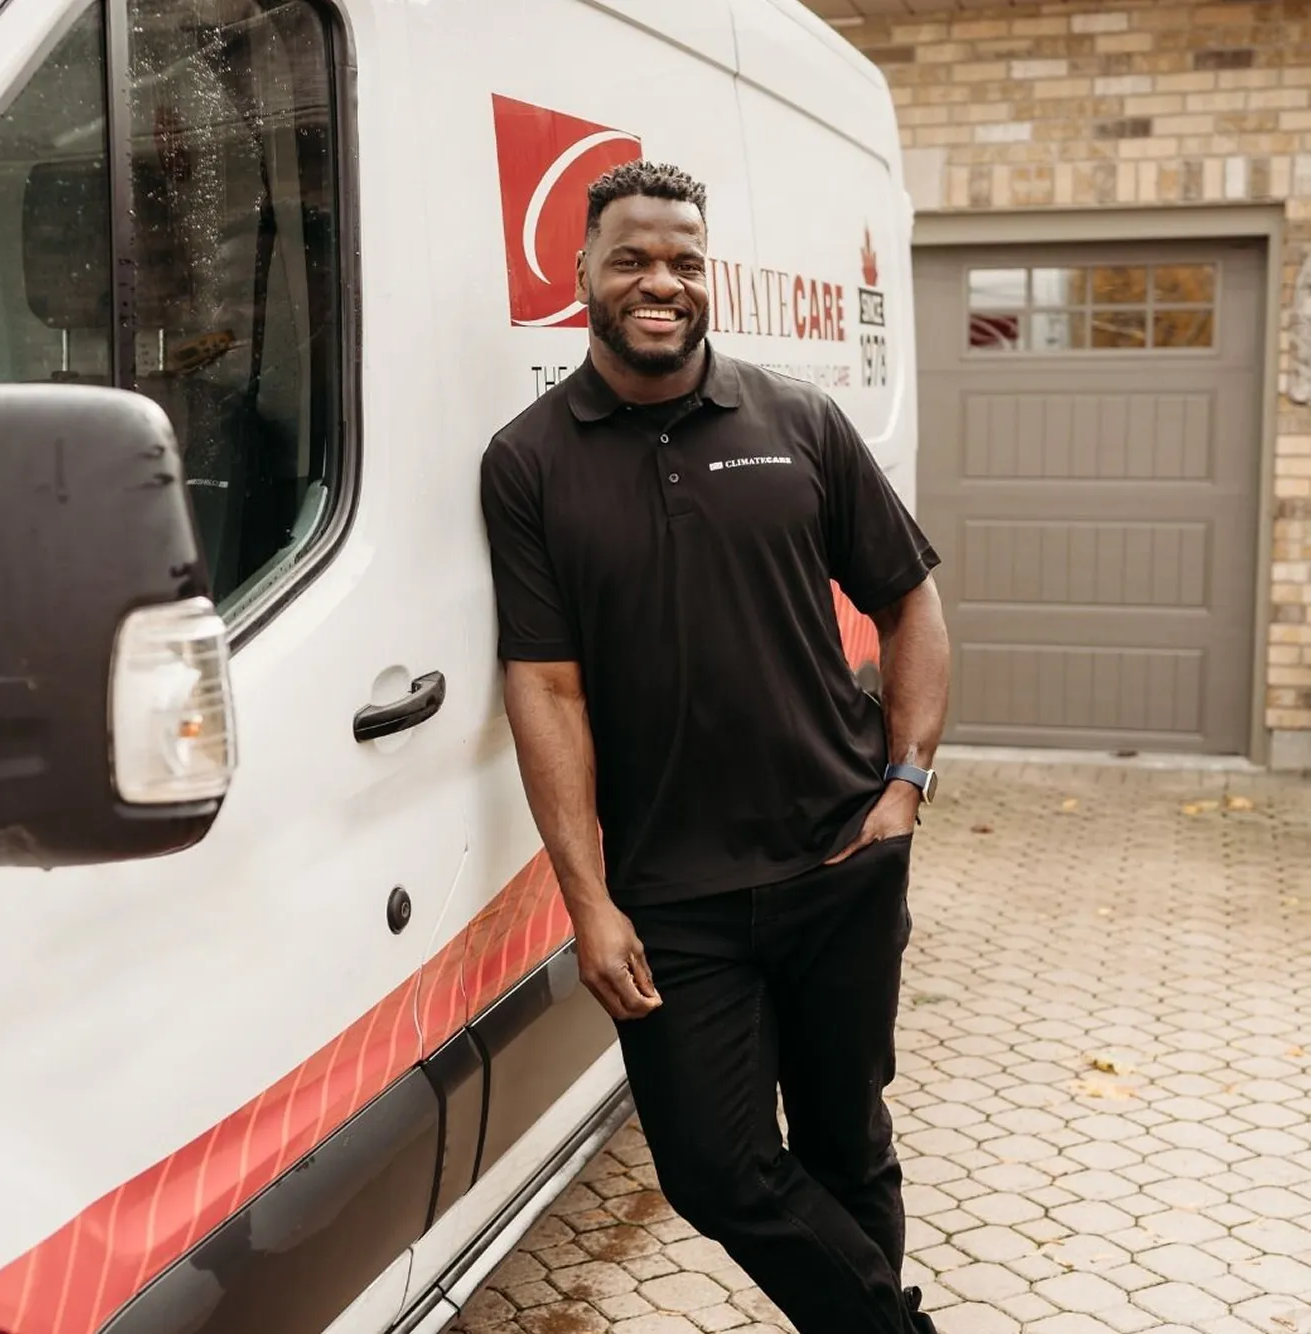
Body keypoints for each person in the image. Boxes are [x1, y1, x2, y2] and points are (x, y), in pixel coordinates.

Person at [480, 160, 950, 1334]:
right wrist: (586, 898)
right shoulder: (529, 461)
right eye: (633, 256)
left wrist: (904, 782)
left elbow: (909, 600)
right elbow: (545, 685)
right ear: (579, 271)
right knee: (714, 1168)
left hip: (839, 854)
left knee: (848, 1140)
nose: (662, 281)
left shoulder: (795, 418)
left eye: (685, 260)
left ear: (709, 275)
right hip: (673, 896)